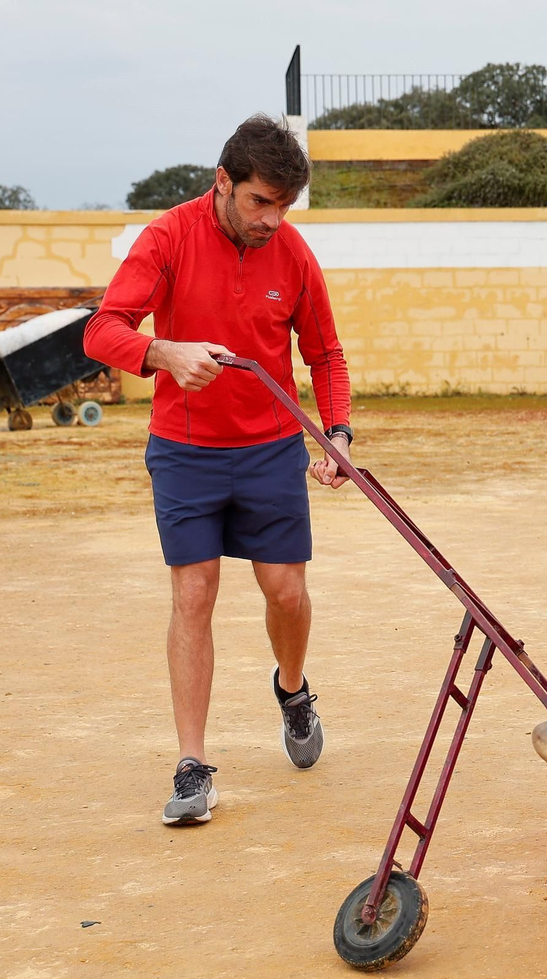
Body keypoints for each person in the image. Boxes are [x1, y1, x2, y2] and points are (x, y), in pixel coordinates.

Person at [85, 115, 352, 826]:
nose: (273, 220)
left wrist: (338, 433)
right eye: (261, 202)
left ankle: (292, 690)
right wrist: (162, 352)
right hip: (184, 450)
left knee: (286, 591)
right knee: (194, 593)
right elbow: (101, 329)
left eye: (285, 206)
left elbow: (325, 354)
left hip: (270, 448)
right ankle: (193, 764)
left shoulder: (292, 254)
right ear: (224, 182)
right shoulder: (167, 237)